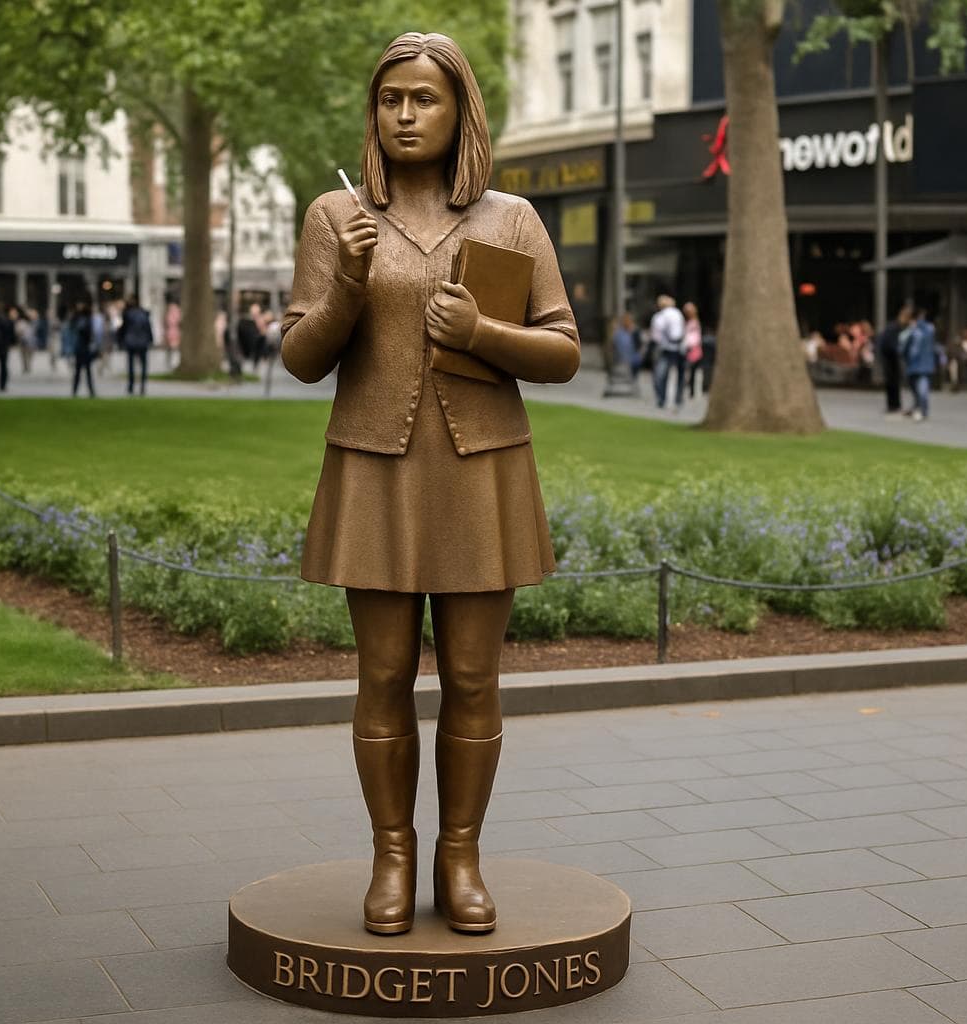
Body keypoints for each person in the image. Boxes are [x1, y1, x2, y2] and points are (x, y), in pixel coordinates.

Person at [282, 31, 579, 937]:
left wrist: (483, 332)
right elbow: (300, 357)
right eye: (390, 100)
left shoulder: (513, 220)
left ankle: (460, 856)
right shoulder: (337, 217)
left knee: (475, 679)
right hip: (375, 466)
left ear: (462, 113)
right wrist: (347, 288)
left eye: (425, 99)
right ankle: (391, 858)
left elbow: (564, 350)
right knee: (379, 676)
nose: (405, 115)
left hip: (481, 469)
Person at [649, 294, 685, 411]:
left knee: (660, 375)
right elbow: (679, 333)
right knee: (678, 375)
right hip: (677, 348)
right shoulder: (677, 314)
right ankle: (677, 399)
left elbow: (656, 336)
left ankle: (662, 399)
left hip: (664, 348)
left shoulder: (659, 317)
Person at [901, 306, 936, 422]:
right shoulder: (926, 329)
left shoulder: (917, 329)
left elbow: (905, 346)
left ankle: (922, 410)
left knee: (920, 388)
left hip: (917, 364)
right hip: (920, 364)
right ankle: (918, 408)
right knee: (917, 388)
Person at [876, 305, 911, 417]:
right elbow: (891, 345)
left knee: (893, 382)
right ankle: (894, 405)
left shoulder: (895, 327)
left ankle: (894, 405)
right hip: (890, 358)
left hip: (890, 358)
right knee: (893, 382)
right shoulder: (894, 328)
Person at [118, 294, 154, 395]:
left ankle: (131, 385)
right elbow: (148, 328)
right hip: (142, 342)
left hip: (131, 342)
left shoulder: (128, 313)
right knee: (143, 365)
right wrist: (150, 340)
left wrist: (120, 341)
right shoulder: (144, 313)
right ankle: (142, 385)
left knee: (131, 365)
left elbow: (123, 329)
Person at [69, 302, 96, 397]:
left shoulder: (84, 320)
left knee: (82, 372)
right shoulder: (83, 319)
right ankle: (82, 391)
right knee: (83, 372)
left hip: (82, 348)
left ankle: (78, 391)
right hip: (82, 348)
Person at [682, 301, 707, 398]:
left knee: (692, 370)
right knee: (690, 370)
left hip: (693, 348)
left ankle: (692, 391)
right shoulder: (691, 322)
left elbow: (694, 337)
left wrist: (689, 344)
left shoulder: (694, 323)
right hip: (691, 348)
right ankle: (690, 390)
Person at [610, 311, 638, 379]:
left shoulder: (634, 332)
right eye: (625, 321)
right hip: (620, 359)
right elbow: (613, 345)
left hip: (631, 359)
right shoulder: (618, 333)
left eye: (628, 321)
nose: (627, 322)